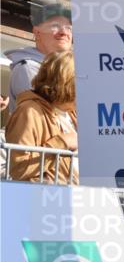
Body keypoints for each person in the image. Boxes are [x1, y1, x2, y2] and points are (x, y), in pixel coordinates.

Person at [5, 51, 77, 184]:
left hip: (76, 199)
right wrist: (63, 142)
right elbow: (19, 169)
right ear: (68, 85)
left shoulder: (70, 114)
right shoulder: (29, 111)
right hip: (45, 200)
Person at [4, 3, 72, 116]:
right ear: (37, 32)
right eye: (55, 25)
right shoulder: (28, 69)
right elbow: (48, 119)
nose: (64, 32)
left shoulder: (75, 70)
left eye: (68, 28)